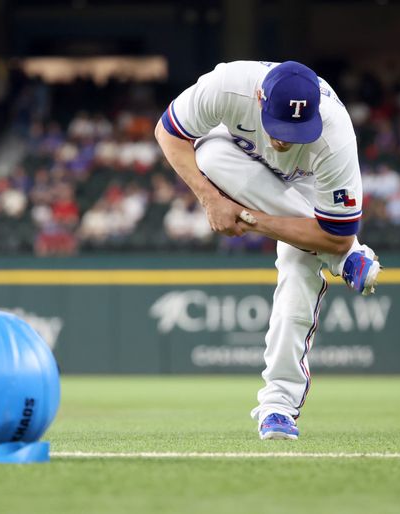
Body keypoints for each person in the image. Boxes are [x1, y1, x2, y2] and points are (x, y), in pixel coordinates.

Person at [155, 60, 382, 440]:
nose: (285, 140)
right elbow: (168, 133)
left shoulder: (335, 133)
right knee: (208, 155)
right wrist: (211, 200)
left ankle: (277, 406)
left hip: (307, 195)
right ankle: (347, 262)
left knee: (299, 266)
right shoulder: (228, 85)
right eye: (280, 127)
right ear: (260, 98)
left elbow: (336, 235)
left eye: (298, 131)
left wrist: (252, 220)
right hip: (236, 161)